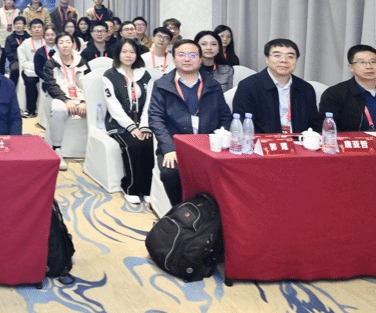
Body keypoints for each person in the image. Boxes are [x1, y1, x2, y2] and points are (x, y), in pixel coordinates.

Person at [148, 40, 232, 206]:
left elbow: (225, 116)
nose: (187, 59)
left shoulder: (212, 85)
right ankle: (182, 211)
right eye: (182, 55)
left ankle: (209, 212)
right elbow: (155, 119)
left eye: (192, 55)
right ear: (174, 59)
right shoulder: (162, 85)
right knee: (170, 173)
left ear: (200, 60)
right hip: (176, 145)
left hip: (208, 145)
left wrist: (221, 140)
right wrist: (169, 148)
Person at [101, 38, 155, 204]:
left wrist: (144, 126)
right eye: (124, 52)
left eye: (132, 52)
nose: (128, 55)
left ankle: (147, 188)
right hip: (118, 124)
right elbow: (113, 106)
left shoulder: (145, 75)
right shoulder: (110, 75)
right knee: (133, 144)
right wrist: (131, 127)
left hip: (142, 122)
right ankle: (131, 188)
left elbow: (149, 104)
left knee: (148, 143)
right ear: (118, 54)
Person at [233, 38, 321, 134]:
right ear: (267, 59)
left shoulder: (306, 89)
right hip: (262, 141)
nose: (284, 60)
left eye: (290, 56)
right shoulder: (248, 86)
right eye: (277, 55)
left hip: (299, 140)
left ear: (296, 60)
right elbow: (242, 125)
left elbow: (315, 126)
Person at [319, 45, 376, 132]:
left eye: (373, 62)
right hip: (354, 143)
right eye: (362, 62)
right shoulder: (334, 94)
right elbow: (328, 131)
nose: (369, 67)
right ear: (351, 67)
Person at [40, 32, 93, 170]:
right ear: (57, 46)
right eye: (61, 42)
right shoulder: (51, 63)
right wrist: (66, 100)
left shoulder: (82, 62)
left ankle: (93, 149)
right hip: (59, 97)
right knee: (59, 110)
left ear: (73, 45)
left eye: (68, 42)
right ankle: (57, 149)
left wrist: (85, 101)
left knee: (97, 109)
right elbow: (51, 85)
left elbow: (90, 83)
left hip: (81, 97)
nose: (65, 45)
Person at [17, 18, 49, 118]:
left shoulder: (47, 42)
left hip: (44, 70)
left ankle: (45, 110)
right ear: (30, 30)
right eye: (34, 27)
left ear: (43, 29)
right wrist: (36, 67)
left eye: (39, 27)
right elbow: (23, 62)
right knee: (30, 81)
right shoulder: (25, 43)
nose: (37, 29)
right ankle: (31, 110)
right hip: (29, 71)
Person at [4, 16, 30, 87]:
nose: (18, 25)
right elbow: (8, 53)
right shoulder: (9, 38)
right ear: (14, 25)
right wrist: (19, 58)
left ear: (24, 26)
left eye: (20, 24)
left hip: (28, 60)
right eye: (16, 24)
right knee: (15, 69)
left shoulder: (29, 38)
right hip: (15, 61)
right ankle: (12, 88)